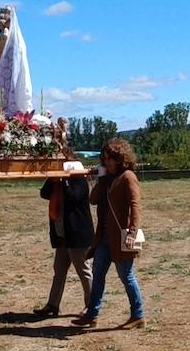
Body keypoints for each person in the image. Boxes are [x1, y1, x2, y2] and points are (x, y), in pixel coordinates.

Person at [73, 138, 146, 330]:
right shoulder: (108, 179)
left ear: (121, 158)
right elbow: (93, 199)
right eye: (105, 159)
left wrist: (132, 232)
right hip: (104, 238)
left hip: (122, 237)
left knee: (126, 276)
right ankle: (92, 315)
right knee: (98, 275)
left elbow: (135, 206)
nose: (108, 163)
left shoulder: (128, 177)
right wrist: (102, 178)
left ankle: (138, 315)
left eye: (111, 159)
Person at [34, 173, 94, 317]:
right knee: (59, 270)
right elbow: (44, 193)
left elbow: (74, 197)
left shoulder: (79, 179)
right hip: (62, 234)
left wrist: (64, 180)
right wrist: (54, 180)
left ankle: (92, 306)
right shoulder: (57, 179)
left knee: (84, 270)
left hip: (77, 233)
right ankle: (53, 305)